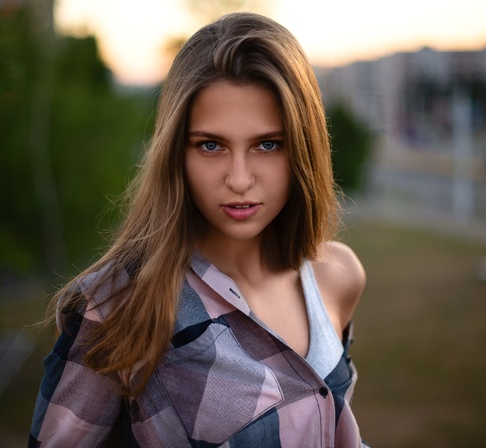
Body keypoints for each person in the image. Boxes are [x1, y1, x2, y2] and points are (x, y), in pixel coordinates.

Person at [29, 12, 368, 448]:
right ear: (177, 153)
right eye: (211, 145)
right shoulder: (118, 309)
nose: (240, 179)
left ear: (303, 147)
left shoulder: (338, 276)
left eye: (268, 144)